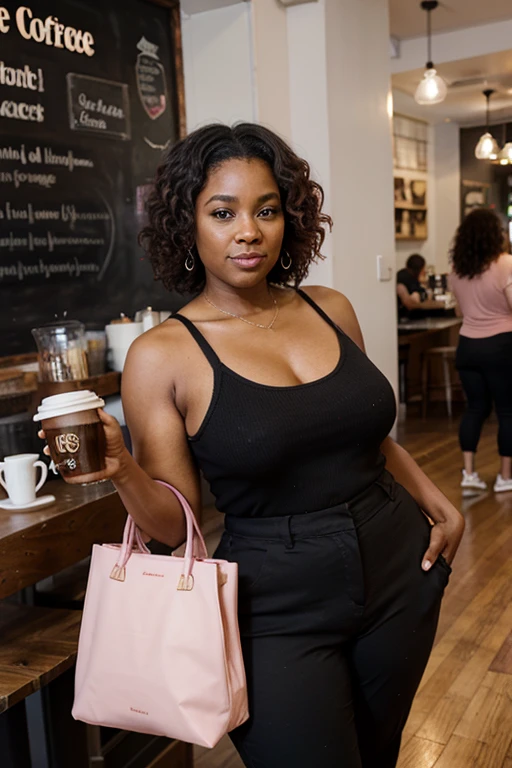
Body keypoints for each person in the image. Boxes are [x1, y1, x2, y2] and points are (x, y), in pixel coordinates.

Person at [41, 123, 464, 768]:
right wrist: (123, 467)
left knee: (380, 754)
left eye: (267, 210)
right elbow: (172, 528)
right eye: (223, 212)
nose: (249, 231)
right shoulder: (164, 355)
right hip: (274, 597)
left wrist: (440, 504)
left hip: (398, 564)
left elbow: (369, 438)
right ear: (188, 225)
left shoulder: (332, 308)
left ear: (289, 217)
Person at [449, 208, 512, 493]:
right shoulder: (506, 264)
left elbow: (460, 310)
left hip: (468, 346)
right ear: (494, 236)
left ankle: (469, 475)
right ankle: (505, 477)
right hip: (501, 346)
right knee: (508, 411)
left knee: (475, 408)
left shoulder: (457, 270)